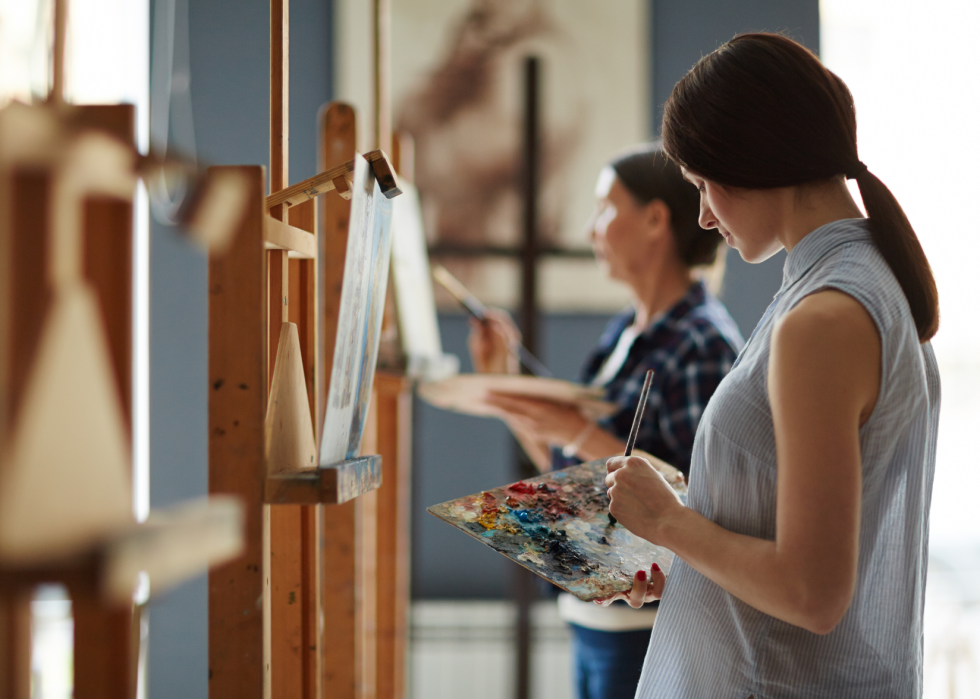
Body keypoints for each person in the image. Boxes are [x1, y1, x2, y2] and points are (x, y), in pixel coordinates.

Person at [602, 33, 941, 699]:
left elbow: (813, 592)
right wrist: (688, 559)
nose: (702, 215)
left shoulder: (824, 317)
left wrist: (671, 520)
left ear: (751, 160)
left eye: (702, 185)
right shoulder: (861, 281)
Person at [468, 143, 744, 699]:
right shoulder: (622, 333)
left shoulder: (704, 341)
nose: (592, 228)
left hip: (650, 629)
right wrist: (502, 388)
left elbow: (702, 498)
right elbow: (572, 467)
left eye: (604, 208)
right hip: (594, 621)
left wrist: (572, 427)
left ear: (655, 220)